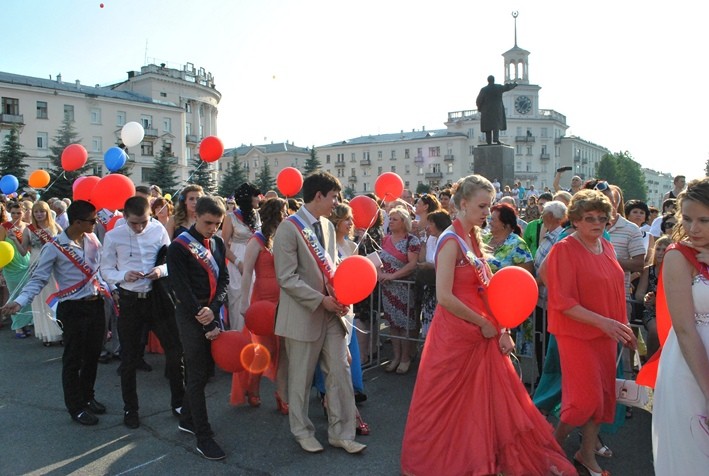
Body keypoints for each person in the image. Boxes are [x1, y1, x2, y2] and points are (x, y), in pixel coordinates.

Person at [401, 174, 574, 475]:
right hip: (456, 333)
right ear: (463, 204)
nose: (487, 213)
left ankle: (478, 458)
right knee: (450, 403)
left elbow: (487, 288)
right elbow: (444, 296)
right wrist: (483, 323)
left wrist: (501, 328)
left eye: (489, 206)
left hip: (482, 330)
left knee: (482, 403)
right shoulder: (450, 240)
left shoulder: (472, 238)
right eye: (482, 206)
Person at [544, 189, 637, 476]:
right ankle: (551, 451)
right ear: (575, 220)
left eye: (601, 218)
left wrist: (624, 327)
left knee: (603, 397)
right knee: (582, 400)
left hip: (606, 335)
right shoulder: (564, 249)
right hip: (577, 335)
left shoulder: (605, 245)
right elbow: (563, 302)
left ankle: (585, 454)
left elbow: (615, 291)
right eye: (589, 218)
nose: (597, 223)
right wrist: (605, 323)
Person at [273, 171, 365, 455]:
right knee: (300, 378)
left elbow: (332, 268)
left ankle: (342, 432)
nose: (337, 202)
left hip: (331, 313)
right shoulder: (288, 229)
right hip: (304, 313)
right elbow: (286, 278)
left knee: (340, 372)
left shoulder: (327, 226)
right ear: (318, 196)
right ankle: (302, 431)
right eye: (333, 197)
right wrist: (320, 300)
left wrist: (341, 295)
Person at [1, 200, 110, 425]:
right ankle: (75, 407)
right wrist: (20, 301)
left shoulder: (92, 239)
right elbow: (39, 278)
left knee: (92, 355)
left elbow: (99, 271)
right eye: (92, 220)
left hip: (95, 303)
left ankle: (88, 397)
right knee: (73, 359)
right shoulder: (55, 247)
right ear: (77, 222)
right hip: (72, 307)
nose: (95, 223)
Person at [101, 196, 185, 429]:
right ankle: (131, 408)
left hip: (157, 298)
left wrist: (160, 270)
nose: (139, 228)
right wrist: (122, 276)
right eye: (134, 223)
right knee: (129, 358)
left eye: (144, 222)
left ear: (151, 216)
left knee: (175, 350)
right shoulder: (113, 236)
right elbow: (105, 269)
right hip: (130, 301)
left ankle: (179, 403)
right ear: (125, 217)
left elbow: (170, 261)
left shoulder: (158, 230)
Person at [653, 178, 709, 474]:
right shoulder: (678, 256)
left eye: (703, 220)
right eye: (687, 219)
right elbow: (685, 330)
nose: (693, 228)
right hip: (691, 368)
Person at [167, 196, 228, 460]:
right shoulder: (178, 247)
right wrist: (204, 316)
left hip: (210, 311)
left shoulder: (218, 243)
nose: (213, 228)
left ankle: (187, 419)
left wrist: (213, 310)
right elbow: (180, 288)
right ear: (196, 216)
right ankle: (204, 436)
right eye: (208, 222)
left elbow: (224, 280)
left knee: (205, 373)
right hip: (190, 313)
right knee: (196, 373)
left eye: (217, 223)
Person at [233, 197, 289, 413]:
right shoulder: (257, 240)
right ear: (274, 214)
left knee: (284, 350)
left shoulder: (283, 237)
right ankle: (252, 387)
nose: (286, 215)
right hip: (263, 301)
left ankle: (281, 395)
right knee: (264, 349)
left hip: (283, 299)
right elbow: (247, 272)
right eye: (283, 212)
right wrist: (244, 303)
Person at [379, 206, 421, 374]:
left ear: (404, 222)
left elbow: (412, 264)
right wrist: (380, 274)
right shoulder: (385, 239)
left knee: (405, 325)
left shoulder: (412, 240)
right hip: (388, 289)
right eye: (390, 219)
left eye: (394, 219)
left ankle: (405, 358)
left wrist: (393, 276)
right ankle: (396, 357)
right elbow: (379, 260)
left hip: (405, 288)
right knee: (393, 324)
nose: (390, 222)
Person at [17, 201, 63, 345]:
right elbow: (23, 251)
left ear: (47, 212)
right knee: (41, 300)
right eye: (36, 212)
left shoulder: (55, 227)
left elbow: (66, 246)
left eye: (42, 211)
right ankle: (47, 334)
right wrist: (14, 240)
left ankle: (61, 331)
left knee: (56, 299)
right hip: (36, 266)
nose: (39, 214)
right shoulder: (28, 230)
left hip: (54, 267)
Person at [221, 182, 261, 331]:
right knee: (238, 300)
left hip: (256, 259)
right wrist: (238, 263)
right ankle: (238, 335)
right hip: (237, 260)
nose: (259, 198)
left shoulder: (257, 215)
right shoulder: (230, 217)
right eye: (255, 195)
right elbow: (224, 245)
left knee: (254, 298)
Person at [634, 235, 671, 360]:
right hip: (651, 311)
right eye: (658, 249)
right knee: (655, 330)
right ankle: (650, 361)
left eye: (664, 250)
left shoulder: (675, 271)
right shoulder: (648, 270)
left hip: (670, 310)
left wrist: (659, 300)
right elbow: (639, 294)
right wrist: (646, 298)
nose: (660, 252)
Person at [417, 210, 452, 338]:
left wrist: (430, 266)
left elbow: (447, 264)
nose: (428, 227)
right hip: (430, 287)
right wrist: (423, 243)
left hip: (443, 288)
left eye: (431, 224)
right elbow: (422, 259)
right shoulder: (431, 239)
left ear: (439, 224)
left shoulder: (449, 240)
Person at [1, 202, 32, 338]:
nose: (15, 215)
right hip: (10, 266)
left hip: (26, 263)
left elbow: (30, 247)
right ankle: (18, 326)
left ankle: (26, 322)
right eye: (13, 213)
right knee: (14, 294)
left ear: (24, 213)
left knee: (26, 294)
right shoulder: (4, 227)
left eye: (18, 213)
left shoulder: (28, 227)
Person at [483, 202, 534, 275]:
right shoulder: (484, 239)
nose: (490, 223)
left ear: (505, 224)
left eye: (493, 220)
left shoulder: (518, 244)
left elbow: (526, 274)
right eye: (490, 219)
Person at [475, 75, 517, 145]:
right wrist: (514, 84)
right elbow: (507, 87)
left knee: (487, 127)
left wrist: (480, 108)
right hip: (496, 110)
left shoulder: (484, 89)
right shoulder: (498, 87)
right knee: (495, 125)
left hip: (486, 111)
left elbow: (478, 100)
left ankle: (488, 141)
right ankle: (496, 139)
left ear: (488, 80)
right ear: (493, 80)